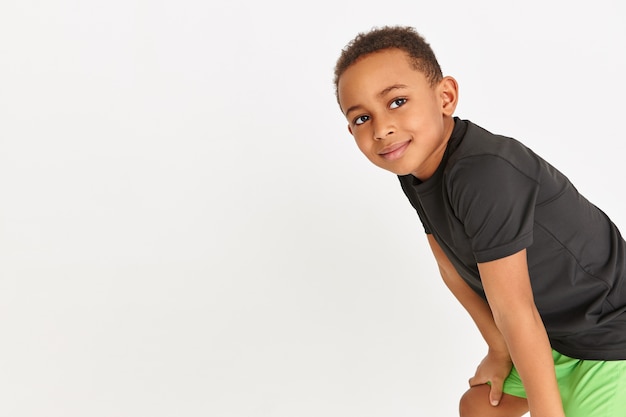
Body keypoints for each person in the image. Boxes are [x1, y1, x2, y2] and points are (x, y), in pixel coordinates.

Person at [333, 26, 626, 417]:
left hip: (609, 336)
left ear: (445, 97)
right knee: (479, 408)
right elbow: (448, 265)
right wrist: (499, 350)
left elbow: (514, 308)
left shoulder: (483, 173)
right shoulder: (416, 168)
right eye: (361, 118)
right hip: (555, 334)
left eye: (398, 101)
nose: (382, 129)